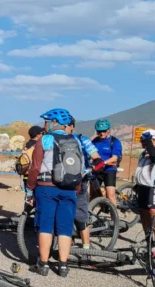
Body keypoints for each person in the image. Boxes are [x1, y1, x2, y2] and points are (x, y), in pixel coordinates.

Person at [26, 108, 85, 277]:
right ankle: (63, 265)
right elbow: (80, 168)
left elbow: (35, 167)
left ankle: (43, 264)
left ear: (53, 123)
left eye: (46, 122)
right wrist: (76, 189)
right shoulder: (76, 141)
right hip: (69, 189)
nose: (44, 125)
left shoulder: (45, 140)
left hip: (46, 188)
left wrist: (30, 189)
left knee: (46, 225)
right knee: (65, 227)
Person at [66, 117, 104, 249]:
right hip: (61, 181)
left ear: (71, 126)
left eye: (65, 126)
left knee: (81, 214)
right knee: (65, 212)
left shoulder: (82, 140)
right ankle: (68, 243)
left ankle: (86, 247)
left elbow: (97, 159)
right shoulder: (55, 139)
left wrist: (92, 169)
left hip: (80, 180)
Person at [134, 129, 155, 261]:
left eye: (145, 141)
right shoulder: (144, 153)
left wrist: (148, 141)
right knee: (143, 212)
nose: (143, 143)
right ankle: (148, 238)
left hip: (154, 186)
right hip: (143, 187)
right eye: (142, 141)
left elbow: (154, 153)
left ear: (153, 140)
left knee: (154, 212)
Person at [91, 119, 123, 205]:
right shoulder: (95, 141)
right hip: (97, 170)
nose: (102, 133)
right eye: (99, 131)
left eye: (104, 131)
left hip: (109, 170)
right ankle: (91, 217)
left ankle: (114, 218)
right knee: (93, 196)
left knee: (110, 196)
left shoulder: (115, 142)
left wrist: (103, 163)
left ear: (108, 130)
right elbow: (90, 154)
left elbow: (114, 158)